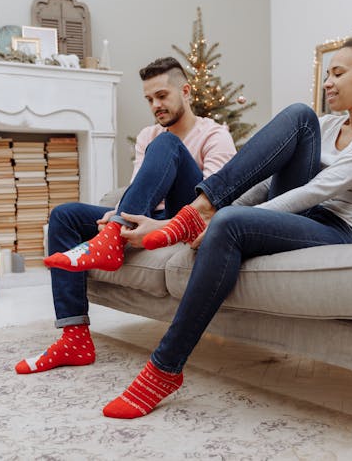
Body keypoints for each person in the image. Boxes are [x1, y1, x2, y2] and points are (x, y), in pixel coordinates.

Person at [101, 22, 352, 419]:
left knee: (233, 222)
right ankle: (198, 211)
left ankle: (164, 368)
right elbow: (269, 181)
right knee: (300, 116)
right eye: (328, 75)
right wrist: (213, 209)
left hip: (342, 230)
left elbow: (319, 190)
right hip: (304, 214)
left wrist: (228, 218)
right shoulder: (327, 125)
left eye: (339, 73)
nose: (328, 83)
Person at [14, 57, 236, 374]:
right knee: (65, 216)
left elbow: (214, 204)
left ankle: (112, 235)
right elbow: (140, 192)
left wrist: (140, 223)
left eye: (162, 96)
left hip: (185, 218)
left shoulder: (214, 136)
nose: (155, 105)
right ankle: (74, 337)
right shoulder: (148, 135)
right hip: (141, 217)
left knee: (169, 144)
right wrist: (118, 216)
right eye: (149, 99)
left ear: (185, 91)